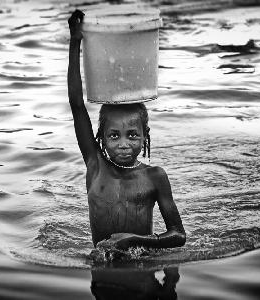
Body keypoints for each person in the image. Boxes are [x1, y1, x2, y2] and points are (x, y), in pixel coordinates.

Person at [67, 10, 186, 251]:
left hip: (143, 268)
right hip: (102, 279)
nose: (123, 143)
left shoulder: (155, 177)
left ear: (145, 136)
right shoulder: (95, 164)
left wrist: (134, 240)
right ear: (101, 138)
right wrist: (75, 41)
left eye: (132, 135)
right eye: (114, 135)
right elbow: (77, 103)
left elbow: (178, 235)